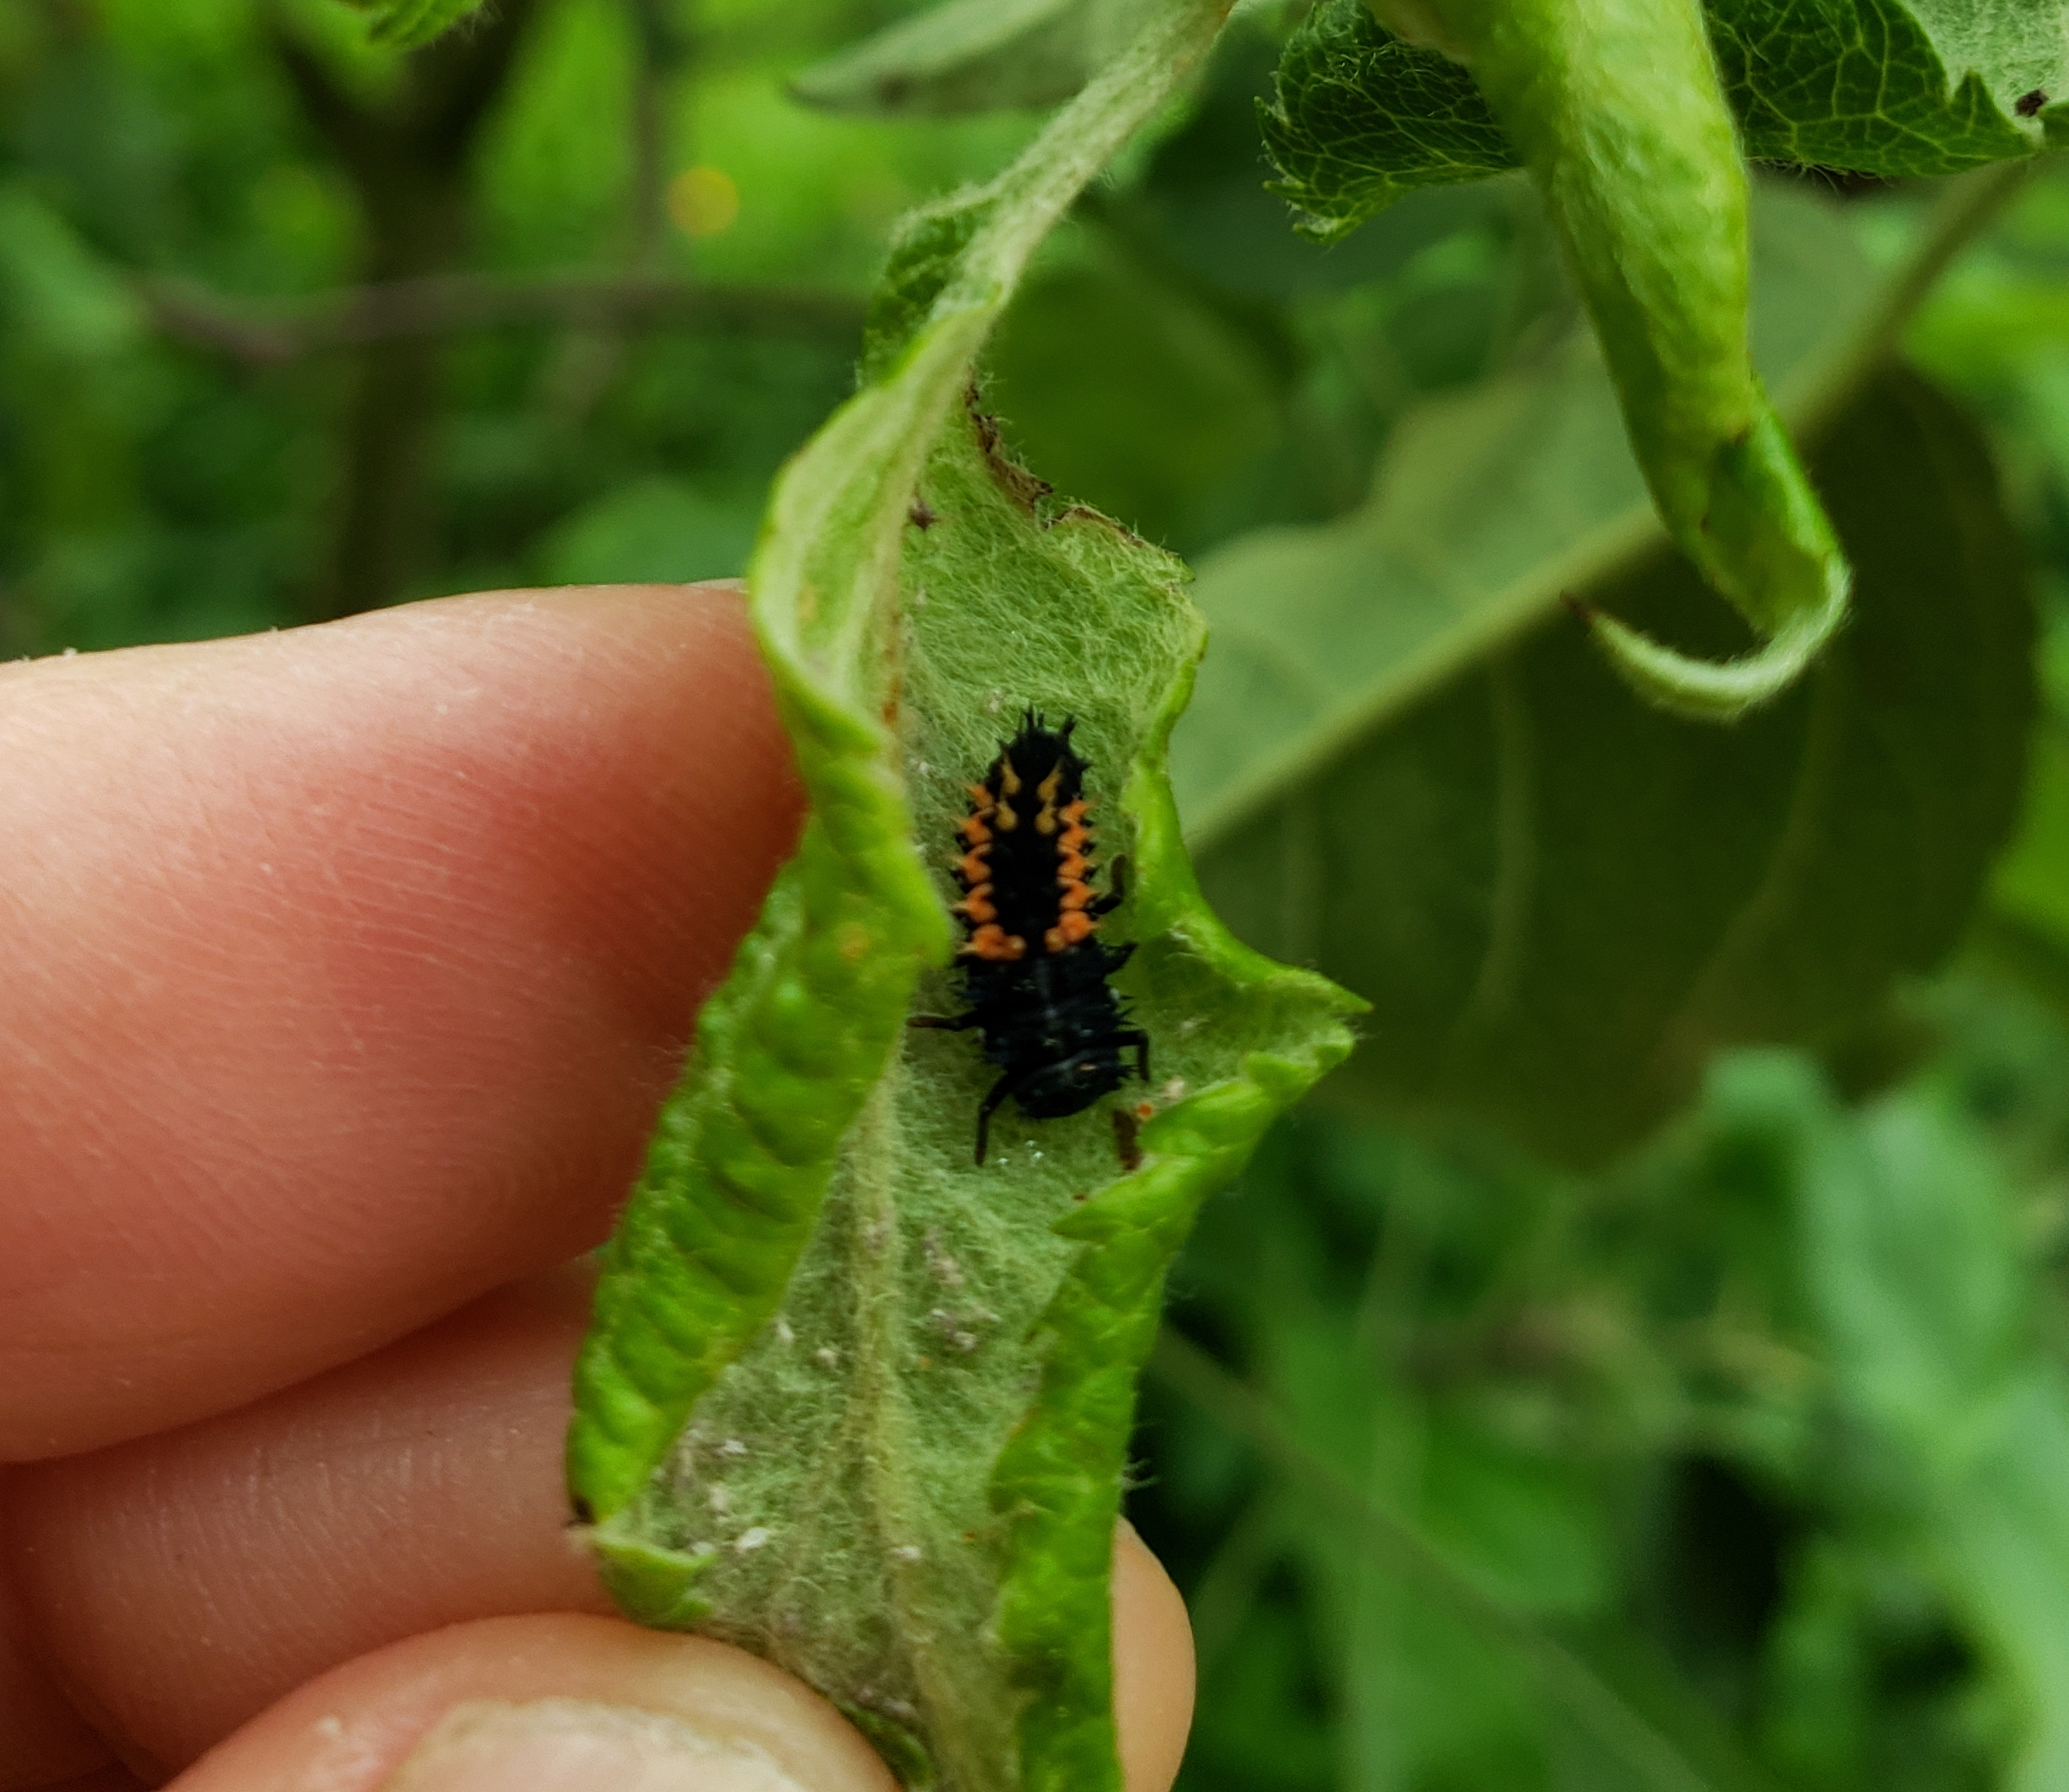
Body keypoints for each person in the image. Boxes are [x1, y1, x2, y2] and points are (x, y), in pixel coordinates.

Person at [0, 583, 1195, 1792]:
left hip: (1030, 931)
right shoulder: (1039, 966)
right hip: (1037, 927)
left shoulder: (1021, 974)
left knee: (1028, 899)